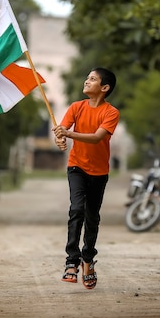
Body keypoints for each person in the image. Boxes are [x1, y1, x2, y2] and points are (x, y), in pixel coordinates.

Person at [53, 67, 119, 290]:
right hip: (77, 167)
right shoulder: (76, 107)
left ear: (104, 88)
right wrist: (60, 138)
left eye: (92, 79)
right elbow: (62, 128)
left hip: (99, 172)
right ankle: (72, 260)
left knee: (92, 218)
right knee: (76, 210)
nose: (86, 81)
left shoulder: (111, 113)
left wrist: (68, 134)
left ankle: (88, 259)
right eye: (87, 78)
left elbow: (97, 138)